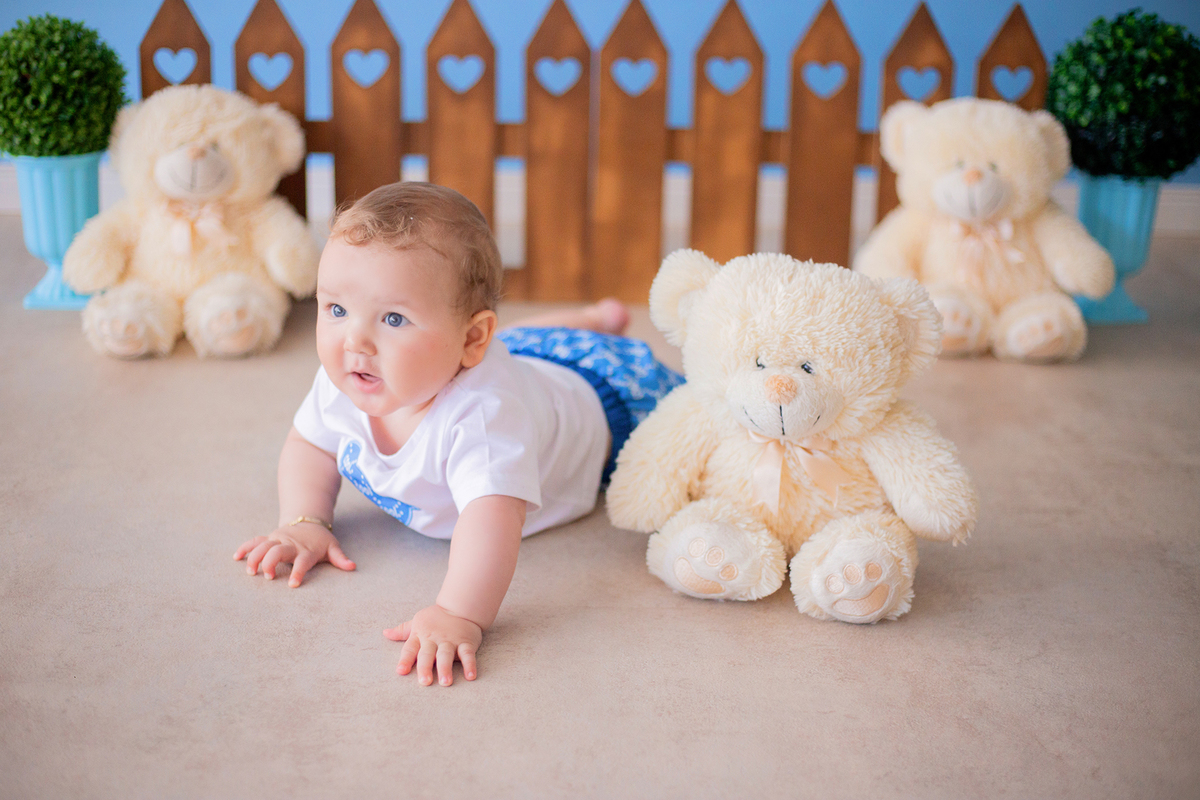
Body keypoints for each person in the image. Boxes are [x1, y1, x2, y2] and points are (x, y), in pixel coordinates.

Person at [234, 182, 683, 687]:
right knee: (523, 345)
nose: (353, 340)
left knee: (682, 418)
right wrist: (304, 519)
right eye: (336, 310)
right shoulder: (350, 376)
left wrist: (458, 612)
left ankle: (597, 327)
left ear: (471, 339)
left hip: (611, 397)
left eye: (393, 318)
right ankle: (595, 318)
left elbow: (493, 518)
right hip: (528, 362)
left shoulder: (484, 418)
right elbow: (310, 443)